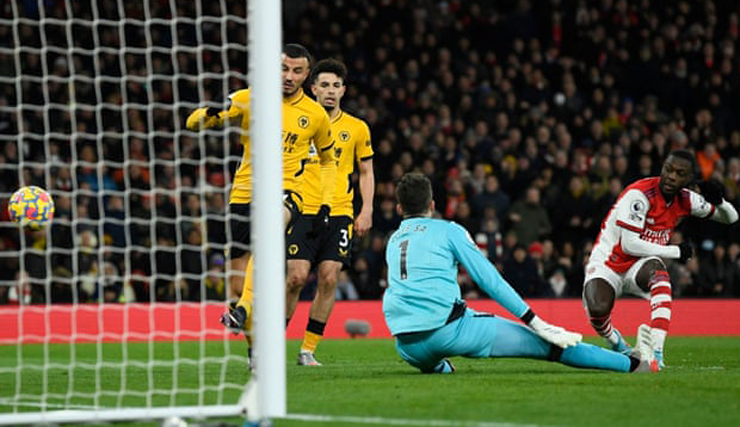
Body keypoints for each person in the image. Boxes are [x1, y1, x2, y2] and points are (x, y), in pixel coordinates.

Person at [383, 173, 659, 374]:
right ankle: (634, 364)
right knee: (550, 346)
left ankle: (440, 367)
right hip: (452, 331)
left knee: (432, 354)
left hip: (408, 346)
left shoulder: (393, 241)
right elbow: (489, 280)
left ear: (399, 209)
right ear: (432, 205)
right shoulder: (448, 230)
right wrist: (534, 321)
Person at [186, 44, 338, 343]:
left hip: (287, 192)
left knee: (269, 228)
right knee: (235, 284)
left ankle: (244, 306)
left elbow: (328, 160)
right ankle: (255, 351)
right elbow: (192, 124)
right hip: (244, 194)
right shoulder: (248, 99)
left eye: (297, 71)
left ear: (307, 75)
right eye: (284, 68)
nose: (289, 76)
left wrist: (326, 202)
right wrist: (210, 113)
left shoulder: (315, 114)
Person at [583, 149, 738, 369]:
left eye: (680, 173)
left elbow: (731, 218)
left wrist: (720, 201)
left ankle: (657, 353)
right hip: (608, 262)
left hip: (640, 263)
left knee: (660, 276)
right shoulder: (639, 195)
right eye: (668, 169)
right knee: (597, 310)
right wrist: (677, 251)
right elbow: (629, 244)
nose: (672, 176)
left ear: (688, 179)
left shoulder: (687, 199)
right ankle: (617, 343)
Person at [285, 59, 375, 366]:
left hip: (339, 212)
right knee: (296, 278)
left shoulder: (357, 128)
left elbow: (366, 171)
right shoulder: (298, 121)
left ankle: (307, 350)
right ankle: (268, 346)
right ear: (313, 89)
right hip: (303, 209)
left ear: (343, 91)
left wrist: (367, 209)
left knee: (329, 277)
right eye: (324, 85)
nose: (330, 91)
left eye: (336, 86)